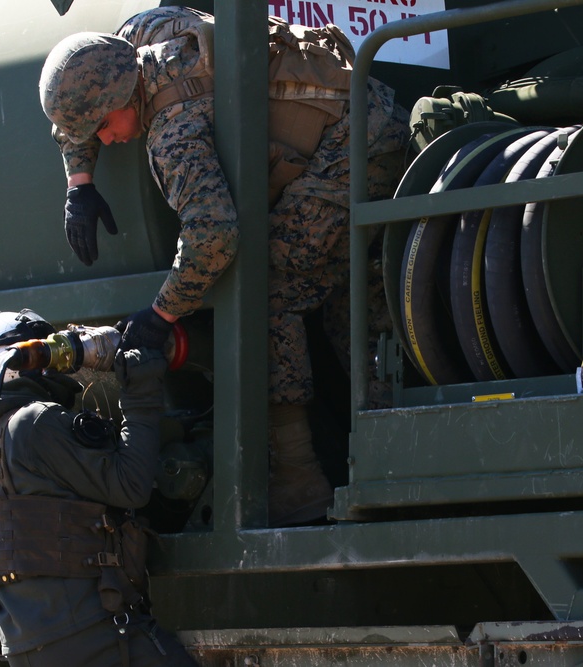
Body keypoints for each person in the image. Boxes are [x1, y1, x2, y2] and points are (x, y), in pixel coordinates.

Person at [39, 7, 409, 526]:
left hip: (356, 150)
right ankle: (396, 453)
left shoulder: (173, 134)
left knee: (267, 288)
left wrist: (162, 314)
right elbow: (89, 75)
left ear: (125, 97)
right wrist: (80, 180)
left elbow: (214, 237)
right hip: (370, 115)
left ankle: (299, 478)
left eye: (103, 127)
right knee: (344, 301)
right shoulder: (143, 38)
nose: (104, 140)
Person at [0, 309, 198, 666]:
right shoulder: (35, 421)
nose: (52, 362)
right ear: (3, 359)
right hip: (92, 636)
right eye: (39, 351)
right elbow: (130, 485)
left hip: (31, 645)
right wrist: (141, 386)